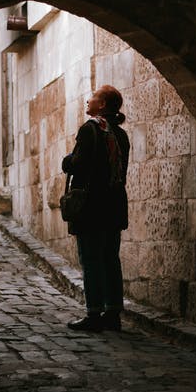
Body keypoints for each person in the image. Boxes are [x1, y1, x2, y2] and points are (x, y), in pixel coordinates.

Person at [62, 85, 130, 332]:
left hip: (91, 206)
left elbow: (78, 164)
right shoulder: (120, 135)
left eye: (92, 97)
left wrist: (67, 160)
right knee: (110, 259)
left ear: (102, 105)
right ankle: (112, 314)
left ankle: (93, 313)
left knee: (90, 258)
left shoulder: (90, 130)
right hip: (114, 205)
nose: (87, 101)